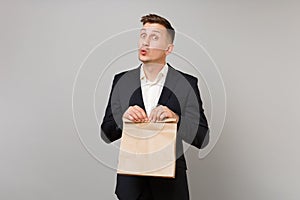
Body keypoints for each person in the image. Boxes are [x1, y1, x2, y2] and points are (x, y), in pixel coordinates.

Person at [101, 13, 209, 200]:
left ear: (169, 48)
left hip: (171, 188)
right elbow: (106, 133)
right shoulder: (122, 81)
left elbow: (202, 137)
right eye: (143, 35)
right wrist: (123, 120)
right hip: (131, 188)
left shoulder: (186, 83)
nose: (145, 42)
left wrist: (176, 119)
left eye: (154, 37)